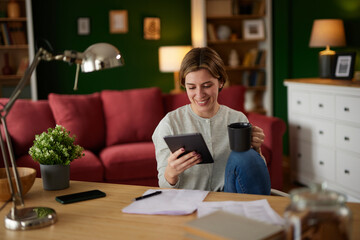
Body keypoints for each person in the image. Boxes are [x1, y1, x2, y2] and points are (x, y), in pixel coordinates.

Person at [152, 47, 270, 194]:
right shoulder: (169, 124)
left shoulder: (237, 119)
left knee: (245, 155)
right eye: (191, 87)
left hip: (229, 197)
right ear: (184, 86)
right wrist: (171, 172)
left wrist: (256, 150)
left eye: (207, 86)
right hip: (190, 201)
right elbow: (163, 186)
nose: (199, 94)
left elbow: (254, 174)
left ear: (220, 82)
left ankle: (255, 213)